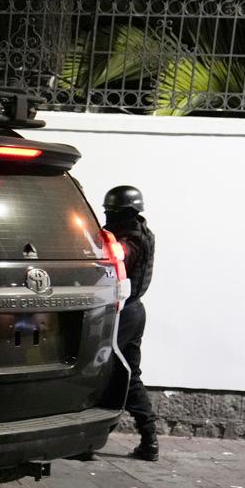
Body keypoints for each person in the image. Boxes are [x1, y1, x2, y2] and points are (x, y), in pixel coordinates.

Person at [104, 185, 158, 462]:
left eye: (109, 212)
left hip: (122, 313)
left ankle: (91, 439)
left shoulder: (129, 239)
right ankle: (149, 439)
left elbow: (114, 264)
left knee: (103, 369)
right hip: (133, 312)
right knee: (128, 374)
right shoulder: (140, 232)